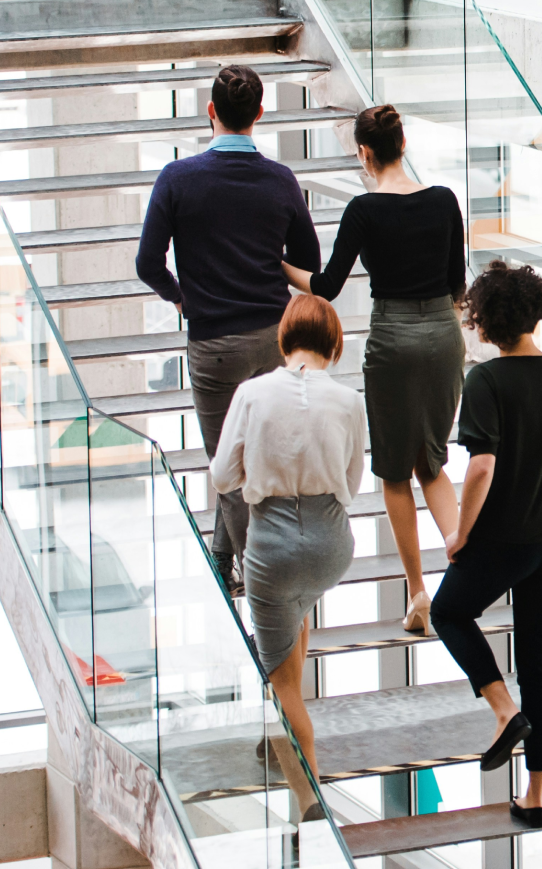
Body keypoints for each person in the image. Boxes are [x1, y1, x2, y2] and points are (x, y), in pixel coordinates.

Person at [429, 261, 542, 830]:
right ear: (536, 312)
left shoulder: (486, 382)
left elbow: (480, 468)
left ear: (485, 322)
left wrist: (459, 534)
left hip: (506, 540)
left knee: (448, 611)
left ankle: (505, 713)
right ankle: (536, 798)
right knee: (539, 663)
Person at [136, 65, 321, 594]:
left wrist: (182, 297)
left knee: (228, 466)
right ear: (259, 115)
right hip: (272, 338)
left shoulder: (177, 178)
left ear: (211, 111)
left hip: (213, 344)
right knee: (257, 454)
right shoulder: (280, 180)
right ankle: (224, 561)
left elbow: (149, 263)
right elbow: (307, 261)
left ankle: (256, 576)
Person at [282, 104, 465, 634]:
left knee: (393, 470)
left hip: (392, 340)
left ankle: (416, 593)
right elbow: (456, 283)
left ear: (365, 153)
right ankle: (461, 568)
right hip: (442, 336)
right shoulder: (444, 201)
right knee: (433, 462)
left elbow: (327, 286)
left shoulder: (363, 210)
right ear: (402, 144)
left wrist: (277, 263)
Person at [210, 294, 366, 820]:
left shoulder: (252, 394)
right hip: (330, 545)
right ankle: (285, 751)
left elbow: (222, 478)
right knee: (296, 615)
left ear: (284, 339)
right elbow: (351, 483)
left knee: (282, 685)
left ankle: (309, 798)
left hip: (272, 544)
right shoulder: (348, 401)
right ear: (335, 342)